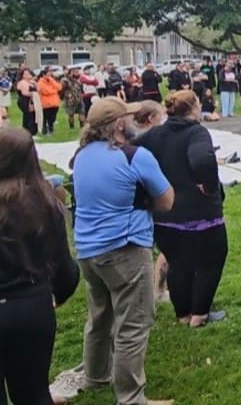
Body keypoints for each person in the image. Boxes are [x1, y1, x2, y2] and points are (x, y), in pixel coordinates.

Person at [70, 97, 175, 405]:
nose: (132, 121)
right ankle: (130, 397)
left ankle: (95, 375)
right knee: (134, 322)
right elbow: (167, 200)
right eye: (127, 118)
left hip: (88, 250)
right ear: (118, 125)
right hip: (125, 248)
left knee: (100, 317)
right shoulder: (135, 156)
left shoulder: (81, 156)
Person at [0, 128, 80, 405]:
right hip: (29, 306)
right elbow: (63, 266)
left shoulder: (43, 201)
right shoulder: (44, 203)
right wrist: (59, 292)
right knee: (33, 392)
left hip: (24, 300)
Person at [136, 90, 226, 328]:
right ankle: (199, 313)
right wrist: (207, 186)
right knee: (210, 261)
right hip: (200, 213)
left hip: (165, 214)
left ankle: (183, 313)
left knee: (178, 263)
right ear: (194, 108)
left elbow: (130, 152)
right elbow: (202, 160)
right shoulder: (196, 132)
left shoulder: (154, 135)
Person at [37, 67, 62, 136]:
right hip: (46, 104)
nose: (49, 76)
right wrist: (54, 90)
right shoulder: (40, 82)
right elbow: (46, 91)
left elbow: (59, 87)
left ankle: (51, 129)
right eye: (47, 75)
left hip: (55, 103)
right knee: (46, 118)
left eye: (50, 75)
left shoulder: (51, 80)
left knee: (52, 118)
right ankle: (45, 131)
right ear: (43, 75)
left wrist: (51, 81)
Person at [15, 67, 38, 135]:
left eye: (29, 73)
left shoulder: (31, 82)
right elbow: (25, 93)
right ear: (22, 75)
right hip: (24, 101)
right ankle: (31, 132)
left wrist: (35, 84)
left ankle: (26, 130)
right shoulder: (22, 82)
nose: (28, 75)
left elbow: (38, 90)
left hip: (32, 100)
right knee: (29, 116)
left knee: (30, 116)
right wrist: (34, 93)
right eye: (26, 73)